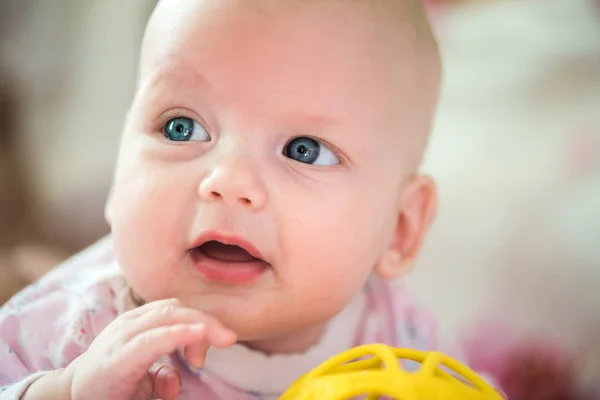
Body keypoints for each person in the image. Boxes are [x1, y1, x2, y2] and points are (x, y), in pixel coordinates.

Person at [0, 0, 445, 398]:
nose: (227, 181)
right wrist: (66, 391)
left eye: (303, 150)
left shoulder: (399, 338)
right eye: (182, 127)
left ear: (399, 229)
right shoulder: (74, 328)